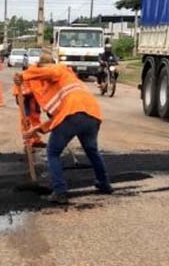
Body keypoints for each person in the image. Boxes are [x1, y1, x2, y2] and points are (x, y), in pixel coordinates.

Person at [16, 49, 113, 203]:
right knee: (92, 151)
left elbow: (67, 116)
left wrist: (24, 75)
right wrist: (36, 129)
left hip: (74, 114)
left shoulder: (59, 69)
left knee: (53, 153)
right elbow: (59, 117)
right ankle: (104, 184)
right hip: (92, 115)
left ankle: (60, 192)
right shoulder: (68, 81)